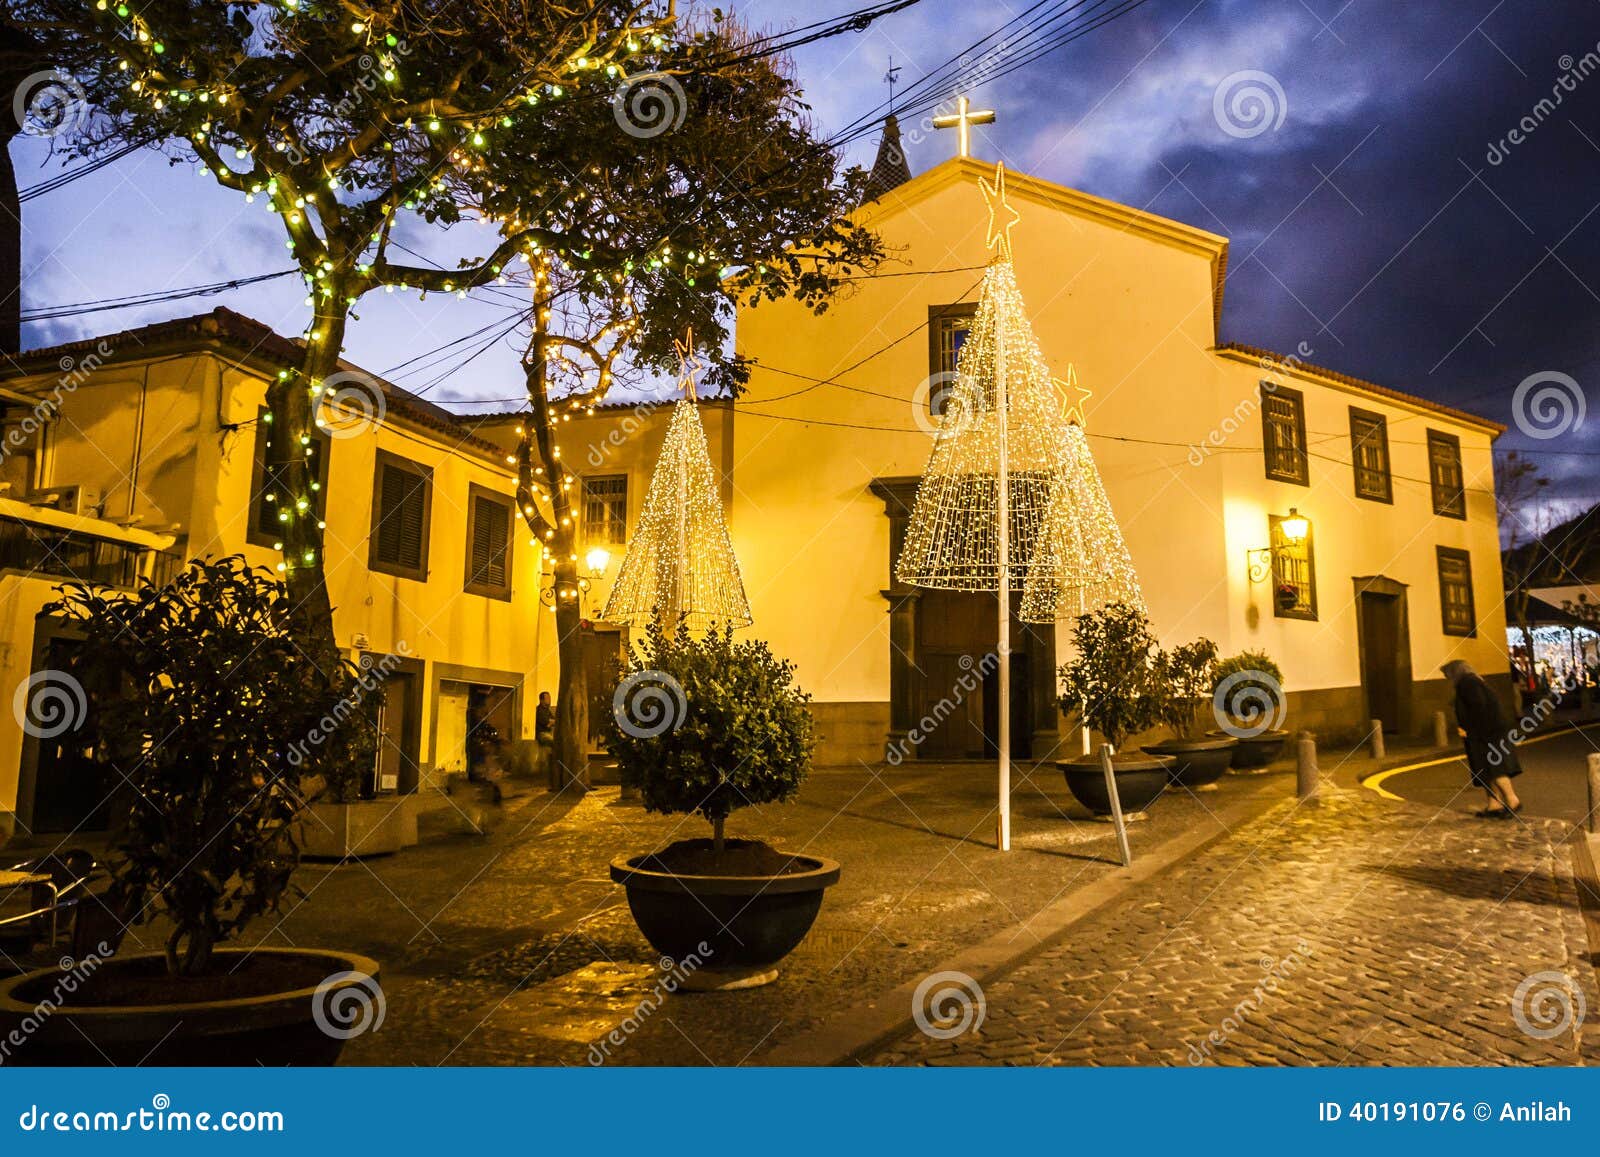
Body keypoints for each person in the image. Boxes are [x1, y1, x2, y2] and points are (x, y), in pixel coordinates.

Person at [1441, 660, 1522, 819]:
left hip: (1486, 734)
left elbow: (1478, 706)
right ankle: (1494, 804)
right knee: (1487, 770)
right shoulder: (1474, 681)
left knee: (1494, 767)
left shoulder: (1467, 683)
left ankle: (1513, 800)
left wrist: (1469, 729)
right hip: (1490, 732)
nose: (1447, 679)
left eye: (1448, 675)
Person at [534, 691, 556, 789]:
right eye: (547, 698)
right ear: (541, 700)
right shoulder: (539, 710)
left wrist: (551, 722)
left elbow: (554, 721)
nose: (549, 700)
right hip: (541, 734)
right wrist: (550, 722)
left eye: (549, 698)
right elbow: (546, 723)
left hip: (548, 732)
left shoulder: (548, 710)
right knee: (554, 742)